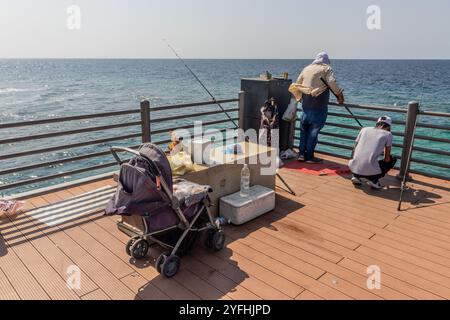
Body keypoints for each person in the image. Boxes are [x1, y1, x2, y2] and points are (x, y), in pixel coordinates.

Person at [295, 52, 345, 163]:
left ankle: (301, 154)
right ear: (326, 61)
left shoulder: (307, 68)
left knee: (304, 131)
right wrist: (340, 96)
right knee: (313, 132)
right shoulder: (326, 68)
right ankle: (310, 156)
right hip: (319, 107)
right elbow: (332, 82)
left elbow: (298, 83)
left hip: (305, 106)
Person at [348, 116, 398, 189]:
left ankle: (356, 176)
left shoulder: (364, 129)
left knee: (362, 158)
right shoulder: (388, 134)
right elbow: (386, 159)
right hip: (370, 172)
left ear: (377, 123)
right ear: (389, 126)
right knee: (392, 159)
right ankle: (374, 180)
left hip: (353, 167)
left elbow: (354, 149)